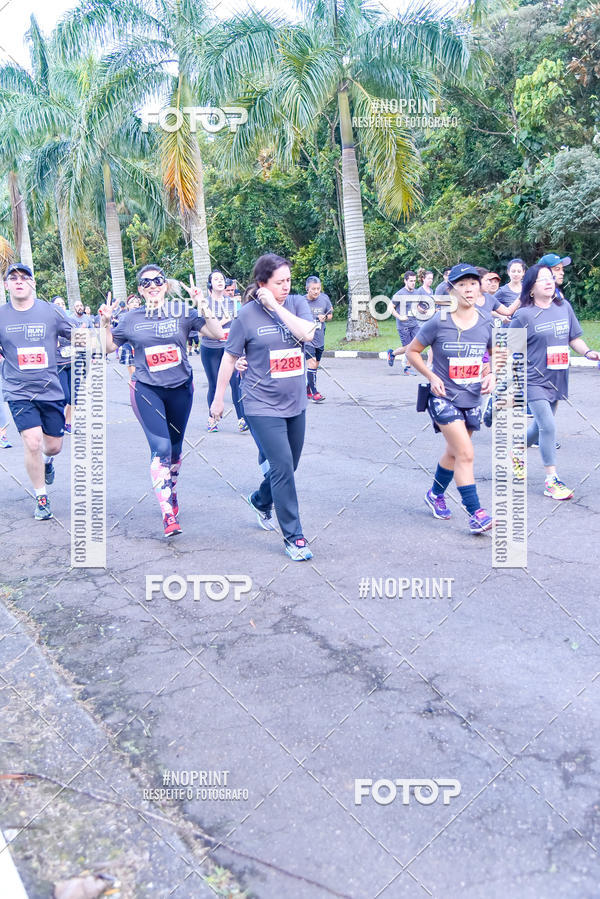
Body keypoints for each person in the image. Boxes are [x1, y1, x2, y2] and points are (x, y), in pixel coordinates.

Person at [100, 264, 223, 537]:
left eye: (158, 280)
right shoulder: (131, 319)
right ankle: (168, 513)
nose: (152, 285)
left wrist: (201, 302)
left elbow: (216, 333)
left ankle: (171, 488)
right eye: (146, 283)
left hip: (180, 389)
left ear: (166, 285)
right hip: (147, 390)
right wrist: (106, 322)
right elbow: (108, 347)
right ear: (140, 291)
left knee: (176, 450)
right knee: (161, 447)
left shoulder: (183, 313)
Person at [210, 253, 316, 561]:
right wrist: (218, 399)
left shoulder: (295, 304)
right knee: (282, 466)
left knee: (290, 465)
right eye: (278, 283)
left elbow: (306, 334)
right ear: (262, 284)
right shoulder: (246, 315)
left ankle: (260, 500)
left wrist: (276, 306)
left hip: (296, 401)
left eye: (288, 281)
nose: (286, 286)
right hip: (260, 403)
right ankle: (294, 537)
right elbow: (229, 357)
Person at [405, 263, 495, 533]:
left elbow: (496, 353)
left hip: (472, 397)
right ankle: (476, 512)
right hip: (443, 398)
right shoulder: (438, 321)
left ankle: (435, 494)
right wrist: (432, 377)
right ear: (451, 290)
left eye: (473, 283)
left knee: (453, 452)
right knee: (465, 453)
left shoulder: (487, 321)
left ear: (480, 288)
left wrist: (492, 374)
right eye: (462, 284)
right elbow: (412, 351)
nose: (468, 288)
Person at [509, 264, 599, 499]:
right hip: (533, 379)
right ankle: (551, 480)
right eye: (542, 279)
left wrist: (588, 353)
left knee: (539, 428)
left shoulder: (563, 307)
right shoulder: (523, 315)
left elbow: (573, 338)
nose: (549, 282)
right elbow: (510, 348)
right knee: (548, 426)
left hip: (558, 377)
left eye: (550, 278)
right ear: (531, 288)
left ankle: (516, 449)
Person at [0, 263, 73, 519]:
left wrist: (105, 328)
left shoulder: (50, 312)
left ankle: (48, 463)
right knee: (32, 442)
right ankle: (41, 497)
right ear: (6, 285)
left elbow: (77, 333)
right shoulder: (1, 316)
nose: (19, 281)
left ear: (32, 283)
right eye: (13, 278)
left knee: (52, 447)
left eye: (24, 277)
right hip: (19, 391)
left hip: (50, 390)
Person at [201, 270, 248, 432]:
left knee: (236, 383)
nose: (220, 281)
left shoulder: (232, 303)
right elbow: (200, 332)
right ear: (210, 284)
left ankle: (242, 419)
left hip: (230, 349)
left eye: (222, 278)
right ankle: (212, 419)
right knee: (214, 384)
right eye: (216, 279)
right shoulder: (205, 304)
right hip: (210, 348)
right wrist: (222, 322)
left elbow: (240, 325)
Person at [304, 275, 333, 403]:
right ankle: (315, 393)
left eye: (318, 289)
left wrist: (325, 317)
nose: (316, 291)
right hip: (306, 338)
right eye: (313, 289)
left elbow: (330, 314)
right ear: (307, 289)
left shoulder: (324, 299)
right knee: (311, 363)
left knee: (315, 365)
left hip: (320, 337)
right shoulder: (301, 301)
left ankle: (308, 389)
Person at [52, 297, 74, 434]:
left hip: (73, 361)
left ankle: (68, 423)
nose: (60, 306)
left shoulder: (71, 322)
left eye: (62, 303)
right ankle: (57, 420)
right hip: (58, 363)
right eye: (57, 304)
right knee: (64, 395)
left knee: (73, 396)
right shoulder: (50, 323)